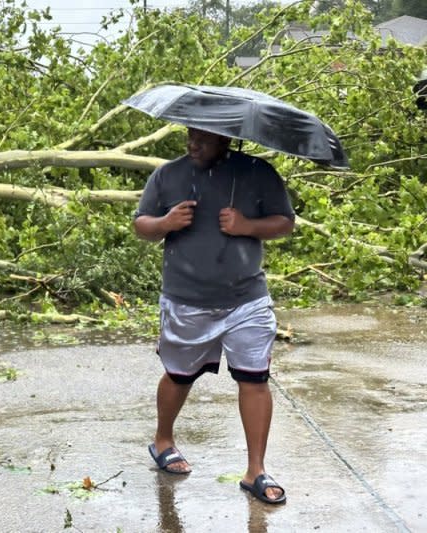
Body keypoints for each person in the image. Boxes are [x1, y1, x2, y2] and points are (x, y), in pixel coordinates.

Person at [133, 127, 295, 505]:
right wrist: (165, 223)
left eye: (203, 139)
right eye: (190, 135)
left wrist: (248, 226)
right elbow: (141, 224)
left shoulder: (258, 172)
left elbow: (285, 222)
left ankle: (256, 471)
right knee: (179, 375)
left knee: (255, 380)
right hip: (186, 300)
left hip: (247, 299)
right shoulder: (168, 175)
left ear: (227, 139)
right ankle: (163, 440)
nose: (193, 144)